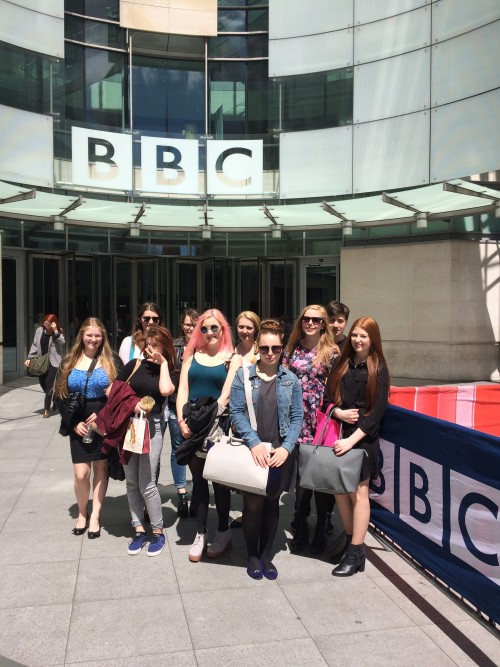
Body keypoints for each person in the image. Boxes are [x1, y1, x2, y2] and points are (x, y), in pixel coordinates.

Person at [229, 320, 303, 580]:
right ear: (257, 348)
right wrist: (253, 442)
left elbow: (296, 418)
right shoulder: (243, 376)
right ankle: (252, 554)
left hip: (279, 451)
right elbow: (236, 412)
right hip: (254, 450)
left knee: (272, 503)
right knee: (252, 505)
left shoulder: (291, 380)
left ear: (282, 348)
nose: (270, 353)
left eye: (275, 348)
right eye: (264, 348)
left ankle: (266, 556)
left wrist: (287, 448)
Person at [325, 316, 390, 576]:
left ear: (373, 339)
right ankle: (350, 539)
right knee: (340, 492)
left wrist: (351, 441)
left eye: (364, 335)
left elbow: (376, 413)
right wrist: (338, 413)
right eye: (355, 335)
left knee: (358, 494)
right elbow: (326, 399)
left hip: (362, 440)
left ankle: (356, 551)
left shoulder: (378, 369)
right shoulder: (342, 363)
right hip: (338, 434)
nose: (358, 339)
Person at [176, 308, 241, 562]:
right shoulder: (191, 355)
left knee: (220, 481)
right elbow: (183, 388)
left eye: (215, 328)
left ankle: (223, 531)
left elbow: (225, 395)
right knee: (199, 482)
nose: (209, 332)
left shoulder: (231, 358)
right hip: (191, 424)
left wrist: (208, 422)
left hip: (216, 426)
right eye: (204, 328)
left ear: (223, 329)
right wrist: (182, 420)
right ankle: (201, 533)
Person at [283, 305, 338, 554]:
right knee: (302, 474)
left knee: (321, 474)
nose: (311, 323)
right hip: (297, 417)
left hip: (321, 419)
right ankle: (301, 521)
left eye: (317, 320)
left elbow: (337, 387)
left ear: (323, 323)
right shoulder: (291, 348)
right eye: (307, 319)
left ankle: (323, 524)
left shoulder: (333, 352)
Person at [55, 317, 117, 538]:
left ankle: (95, 516)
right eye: (89, 335)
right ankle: (82, 512)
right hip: (77, 424)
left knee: (101, 468)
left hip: (101, 423)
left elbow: (118, 395)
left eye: (97, 335)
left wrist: (102, 418)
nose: (93, 339)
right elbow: (59, 396)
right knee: (81, 474)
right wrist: (73, 423)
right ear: (82, 335)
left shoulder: (110, 360)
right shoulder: (69, 361)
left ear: (103, 337)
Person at [116, 326, 175, 557]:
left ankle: (157, 531)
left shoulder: (168, 369)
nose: (150, 349)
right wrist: (133, 404)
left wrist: (162, 364)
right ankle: (138, 529)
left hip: (152, 426)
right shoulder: (134, 365)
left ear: (165, 346)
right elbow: (115, 389)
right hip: (129, 426)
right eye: (147, 344)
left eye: (155, 344)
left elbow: (165, 390)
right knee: (131, 481)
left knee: (147, 482)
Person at [169, 308, 199, 517]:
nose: (190, 327)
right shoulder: (174, 347)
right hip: (176, 405)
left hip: (200, 408)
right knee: (178, 449)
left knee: (200, 451)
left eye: (194, 324)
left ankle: (198, 490)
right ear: (182, 325)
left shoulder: (206, 346)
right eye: (187, 323)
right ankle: (181, 492)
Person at [26, 314, 65, 418]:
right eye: (45, 324)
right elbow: (34, 345)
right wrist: (29, 358)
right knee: (43, 384)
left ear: (54, 323)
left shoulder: (58, 332)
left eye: (49, 325)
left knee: (49, 384)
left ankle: (47, 409)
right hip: (42, 361)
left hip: (54, 362)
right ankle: (55, 398)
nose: (46, 326)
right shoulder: (39, 331)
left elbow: (62, 343)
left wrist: (55, 330)